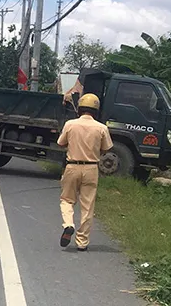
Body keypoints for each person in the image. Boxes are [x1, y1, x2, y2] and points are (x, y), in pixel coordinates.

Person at [57, 93, 113, 251]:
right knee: (87, 205)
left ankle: (68, 224)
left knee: (67, 200)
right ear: (96, 111)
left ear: (80, 109)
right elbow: (106, 148)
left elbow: (61, 143)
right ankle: (82, 242)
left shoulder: (70, 124)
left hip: (72, 166)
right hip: (91, 168)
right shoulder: (102, 128)